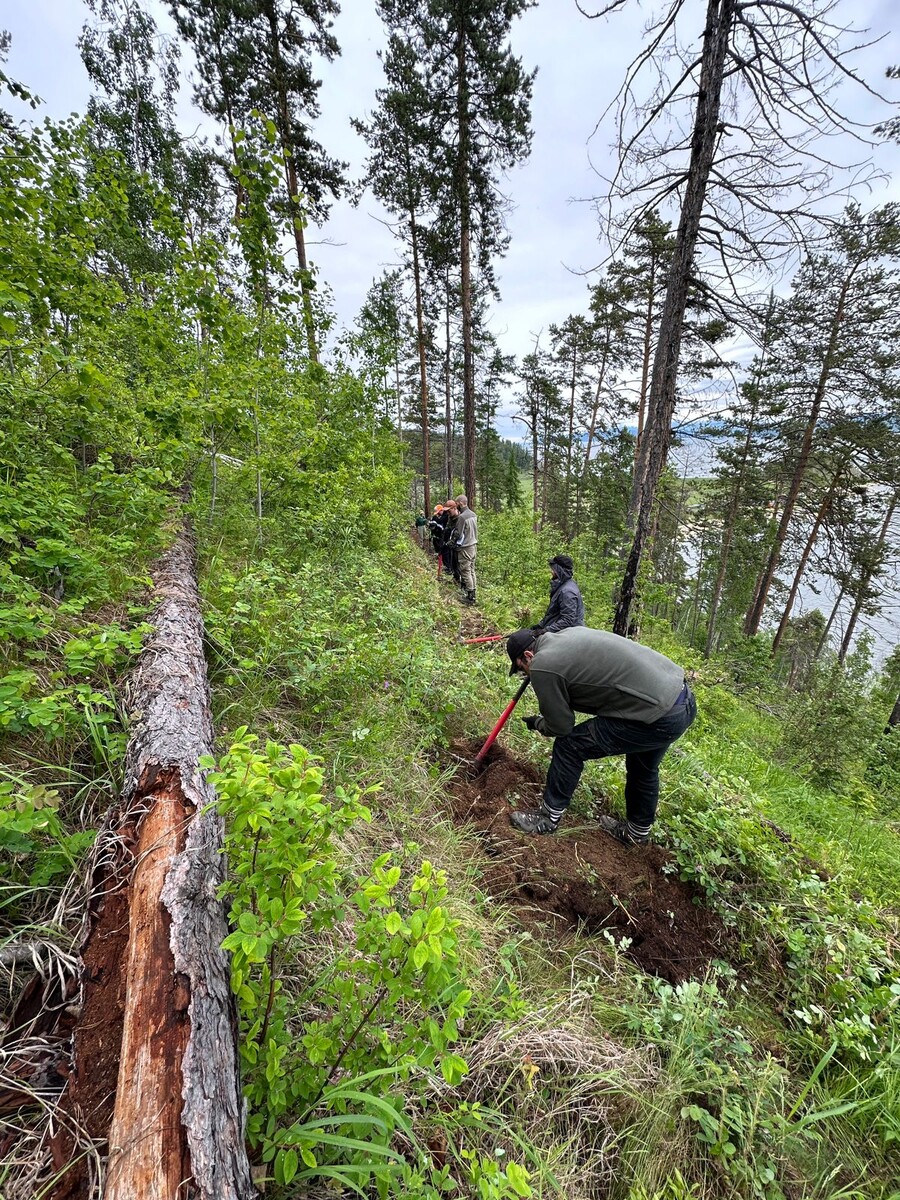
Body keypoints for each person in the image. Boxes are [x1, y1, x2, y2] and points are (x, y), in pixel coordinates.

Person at [505, 626, 696, 844]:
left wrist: (539, 723)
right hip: (678, 699)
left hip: (657, 714)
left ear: (528, 656)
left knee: (570, 746)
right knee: (643, 766)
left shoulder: (542, 664)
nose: (526, 675)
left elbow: (561, 726)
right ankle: (636, 835)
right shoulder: (567, 634)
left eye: (522, 669)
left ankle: (547, 819)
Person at [533, 555, 584, 633]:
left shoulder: (567, 591)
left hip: (568, 635)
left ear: (559, 570)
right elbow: (553, 615)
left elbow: (568, 620)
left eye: (553, 569)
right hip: (559, 632)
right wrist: (540, 626)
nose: (551, 571)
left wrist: (545, 631)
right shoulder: (563, 586)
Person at [453, 494, 478, 605]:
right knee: (472, 570)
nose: (456, 506)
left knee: (465, 571)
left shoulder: (462, 517)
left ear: (461, 503)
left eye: (457, 503)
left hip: (466, 547)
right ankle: (473, 593)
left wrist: (452, 542)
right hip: (473, 546)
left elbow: (458, 534)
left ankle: (470, 597)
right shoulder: (473, 515)